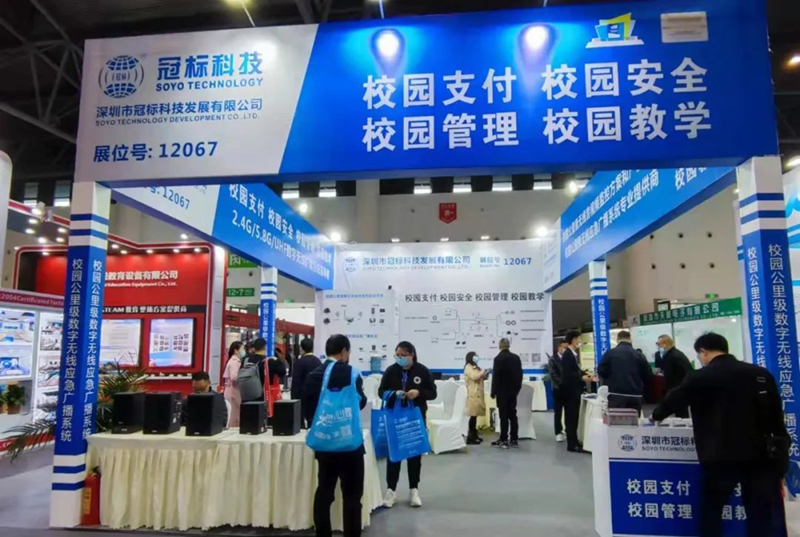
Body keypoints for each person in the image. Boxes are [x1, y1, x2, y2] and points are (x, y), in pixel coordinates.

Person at [651, 333, 788, 537]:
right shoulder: (760, 374)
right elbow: (776, 415)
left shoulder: (701, 376)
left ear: (703, 352)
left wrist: (656, 415)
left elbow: (673, 400)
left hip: (719, 454)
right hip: (760, 453)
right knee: (761, 512)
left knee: (712, 510)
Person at [303, 335, 367, 537]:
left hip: (324, 444)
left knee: (324, 492)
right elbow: (360, 401)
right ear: (345, 351)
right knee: (352, 497)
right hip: (350, 446)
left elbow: (307, 407)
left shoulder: (314, 375)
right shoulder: (351, 373)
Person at [378, 341, 437, 509]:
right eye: (397, 355)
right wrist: (393, 394)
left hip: (415, 418)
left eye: (403, 355)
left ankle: (414, 490)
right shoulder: (391, 371)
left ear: (412, 355)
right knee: (393, 455)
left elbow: (433, 393)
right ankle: (391, 491)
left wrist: (418, 393)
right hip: (395, 418)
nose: (399, 358)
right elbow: (381, 391)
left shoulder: (422, 371)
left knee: (414, 454)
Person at [596, 330, 652, 415]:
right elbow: (648, 374)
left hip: (616, 393)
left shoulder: (610, 353)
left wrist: (610, 380)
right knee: (633, 420)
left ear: (617, 340)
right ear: (630, 339)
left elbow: (601, 370)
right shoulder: (639, 355)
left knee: (616, 419)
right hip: (635, 394)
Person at [561, 330, 591, 453]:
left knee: (574, 417)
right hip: (570, 391)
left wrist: (585, 374)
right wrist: (581, 377)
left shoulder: (572, 354)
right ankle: (572, 444)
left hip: (574, 391)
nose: (580, 341)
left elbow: (576, 370)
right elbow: (568, 373)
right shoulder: (567, 355)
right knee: (571, 417)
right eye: (578, 339)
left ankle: (574, 441)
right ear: (573, 340)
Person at [490, 338, 523, 449]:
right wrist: (517, 389)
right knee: (513, 415)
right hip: (513, 392)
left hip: (502, 392)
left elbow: (496, 377)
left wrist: (493, 392)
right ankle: (514, 439)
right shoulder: (516, 358)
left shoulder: (498, 359)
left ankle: (503, 439)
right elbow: (520, 375)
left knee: (503, 416)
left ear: (500, 346)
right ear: (509, 345)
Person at [243, 338, 288, 415]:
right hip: (264, 395)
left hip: (248, 395)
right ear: (265, 347)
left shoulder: (246, 360)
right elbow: (283, 371)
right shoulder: (270, 361)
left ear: (254, 348)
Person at [654, 334, 693, 417]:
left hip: (678, 388)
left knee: (681, 413)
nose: (658, 346)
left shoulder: (674, 356)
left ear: (665, 344)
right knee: (678, 411)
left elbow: (686, 372)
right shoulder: (670, 354)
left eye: (659, 344)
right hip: (675, 387)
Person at [292, 338, 323, 428]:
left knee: (300, 420)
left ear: (302, 348)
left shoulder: (300, 362)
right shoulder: (318, 361)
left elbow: (296, 381)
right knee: (313, 419)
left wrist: (293, 395)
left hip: (303, 396)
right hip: (316, 395)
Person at [463, 351, 489, 445]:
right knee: (473, 416)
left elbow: (480, 377)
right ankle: (470, 437)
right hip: (473, 394)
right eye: (475, 356)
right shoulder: (468, 367)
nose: (477, 357)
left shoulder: (476, 367)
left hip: (478, 394)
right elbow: (474, 376)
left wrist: (485, 374)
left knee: (475, 416)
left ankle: (474, 435)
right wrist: (482, 372)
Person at [547, 339, 569, 442]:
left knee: (568, 411)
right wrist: (562, 383)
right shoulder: (553, 360)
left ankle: (568, 430)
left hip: (569, 389)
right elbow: (553, 374)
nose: (565, 350)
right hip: (558, 389)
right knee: (558, 411)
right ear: (559, 348)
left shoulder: (569, 358)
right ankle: (558, 432)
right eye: (564, 348)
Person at [222, 341, 245, 427]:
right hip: (233, 391)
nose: (244, 351)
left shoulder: (233, 360)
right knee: (234, 416)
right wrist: (243, 376)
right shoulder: (235, 361)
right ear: (236, 350)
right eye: (242, 349)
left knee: (234, 414)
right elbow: (234, 377)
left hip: (232, 390)